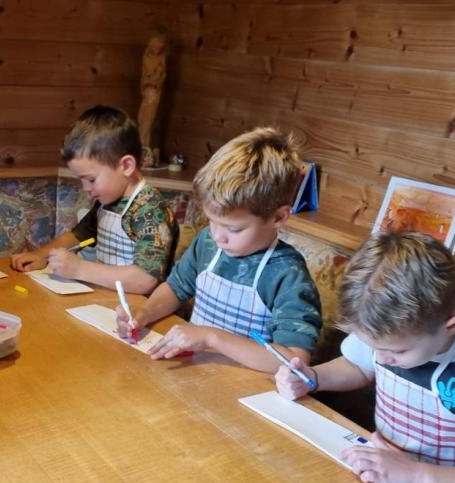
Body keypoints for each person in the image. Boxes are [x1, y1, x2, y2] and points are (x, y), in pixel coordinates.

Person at [276, 231, 455, 483]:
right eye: (374, 348)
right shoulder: (387, 338)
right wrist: (312, 377)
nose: (381, 360)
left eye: (397, 351)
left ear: (450, 326)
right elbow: (358, 367)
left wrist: (417, 475)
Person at [118, 127, 321, 370]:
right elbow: (175, 288)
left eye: (233, 229)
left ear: (278, 217)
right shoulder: (206, 244)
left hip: (246, 393)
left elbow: (293, 359)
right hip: (196, 374)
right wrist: (144, 314)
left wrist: (212, 337)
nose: (218, 236)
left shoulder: (287, 274)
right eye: (211, 221)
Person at [11, 105, 177, 294]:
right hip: (106, 300)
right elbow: (79, 234)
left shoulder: (150, 210)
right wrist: (41, 255)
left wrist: (79, 269)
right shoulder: (109, 199)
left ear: (126, 165)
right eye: (81, 180)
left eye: (91, 179)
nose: (85, 188)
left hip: (139, 310)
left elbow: (145, 279)